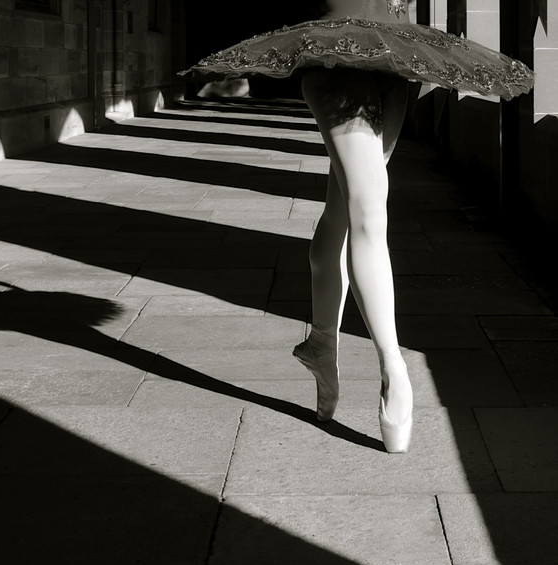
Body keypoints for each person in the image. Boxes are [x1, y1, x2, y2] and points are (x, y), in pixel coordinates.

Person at [179, 0, 533, 453]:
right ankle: (394, 368)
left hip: (397, 50)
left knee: (345, 209)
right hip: (337, 51)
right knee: (369, 209)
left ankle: (322, 344)